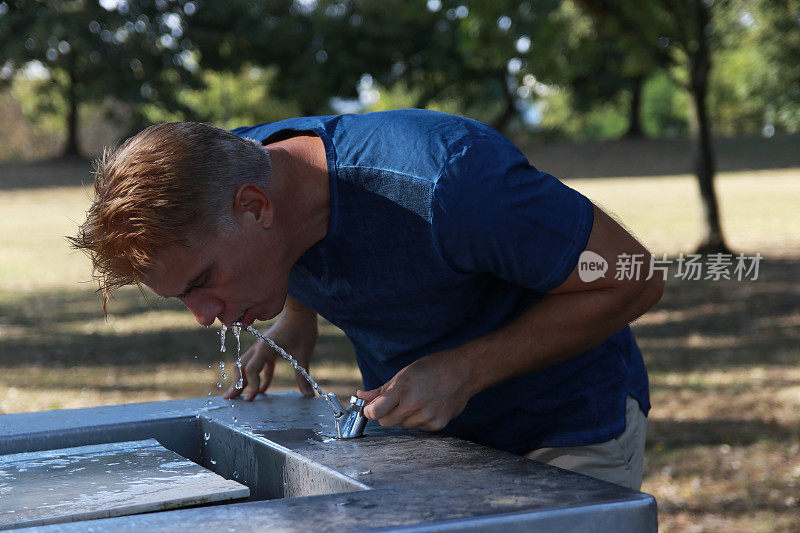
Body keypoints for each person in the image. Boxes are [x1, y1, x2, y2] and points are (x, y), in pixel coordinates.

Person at [71, 109, 664, 490]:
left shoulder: (449, 184)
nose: (203, 316)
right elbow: (300, 236)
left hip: (567, 427)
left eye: (201, 283)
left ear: (254, 207)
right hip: (437, 445)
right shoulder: (236, 172)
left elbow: (633, 276)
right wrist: (298, 314)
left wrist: (465, 369)